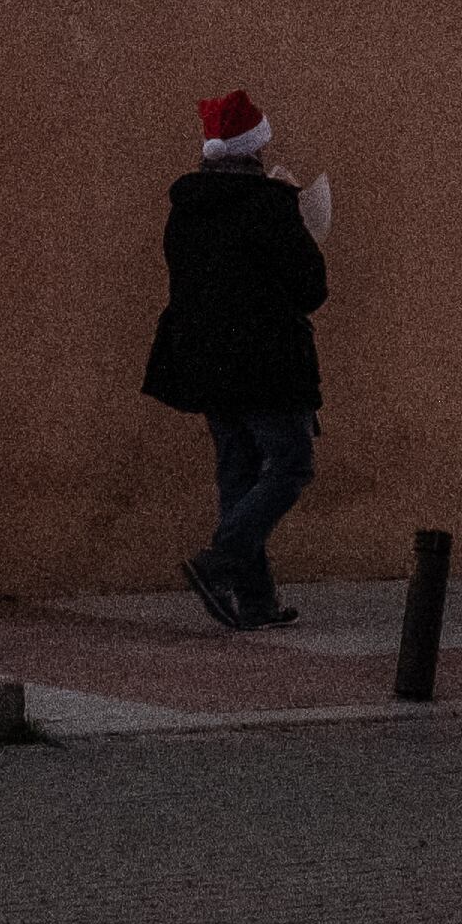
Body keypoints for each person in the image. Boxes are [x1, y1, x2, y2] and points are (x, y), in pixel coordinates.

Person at [141, 89, 329, 630]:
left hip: (205, 364)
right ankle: (221, 560)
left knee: (238, 472)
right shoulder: (271, 208)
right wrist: (301, 227)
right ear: (255, 153)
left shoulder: (186, 211)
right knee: (290, 465)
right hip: (268, 363)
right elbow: (310, 288)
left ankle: (257, 603)